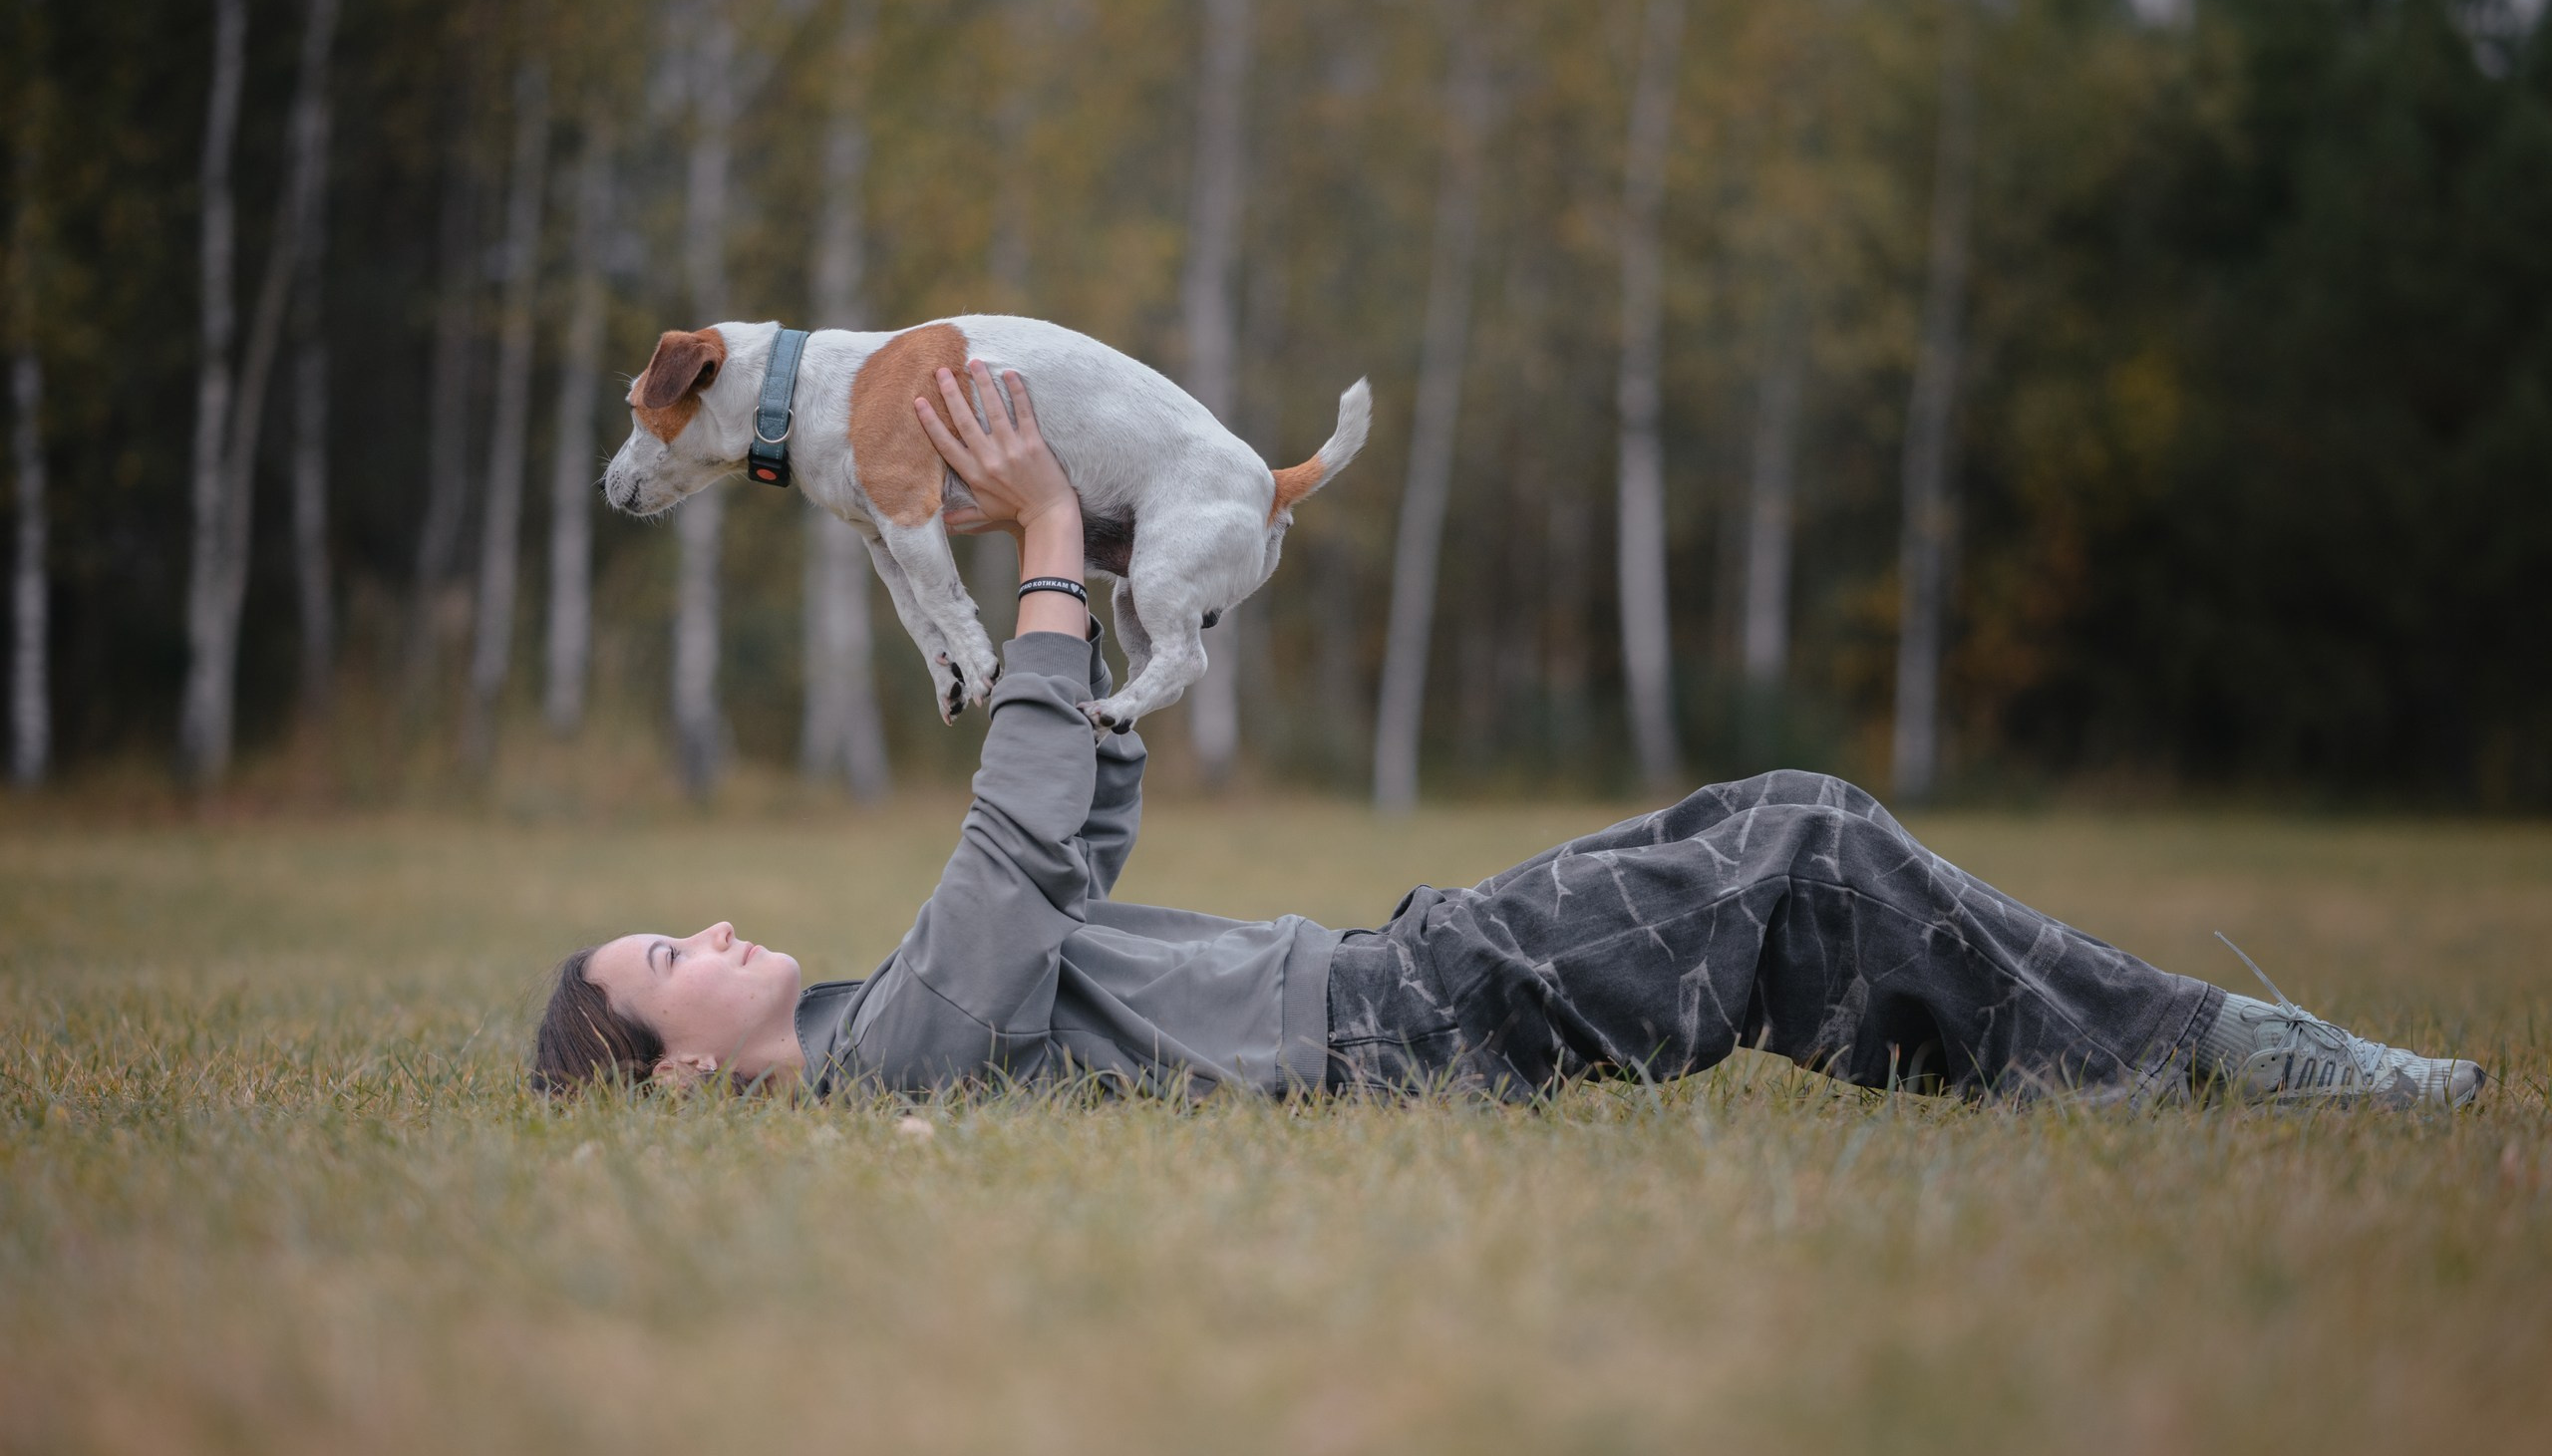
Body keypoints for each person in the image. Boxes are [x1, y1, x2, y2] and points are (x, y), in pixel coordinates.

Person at [531, 363, 2487, 1110]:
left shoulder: (897, 1008)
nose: (699, 929)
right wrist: (1041, 537)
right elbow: (1015, 859)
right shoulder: (882, 1059)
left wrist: (1114, 605)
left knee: (1780, 840)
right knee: (1800, 843)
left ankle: (2072, 1056)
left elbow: (1066, 845)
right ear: (681, 1089)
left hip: (1397, 974)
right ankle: (2211, 1055)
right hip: (1397, 1022)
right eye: (662, 964)